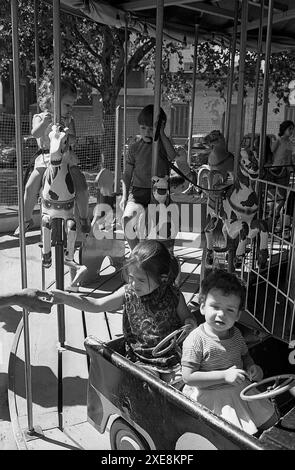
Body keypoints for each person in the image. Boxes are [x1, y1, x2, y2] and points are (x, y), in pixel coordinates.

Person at [51, 239, 197, 385]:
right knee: (149, 384)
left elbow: (187, 317)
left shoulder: (173, 295)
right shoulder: (128, 293)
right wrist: (65, 298)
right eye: (131, 278)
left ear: (162, 279)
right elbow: (97, 304)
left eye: (141, 280)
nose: (134, 284)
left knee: (182, 384)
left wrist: (190, 323)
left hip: (171, 357)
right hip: (141, 359)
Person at [181, 269, 278, 435]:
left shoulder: (236, 334)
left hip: (238, 388)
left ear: (238, 315)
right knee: (237, 436)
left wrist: (250, 366)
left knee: (272, 421)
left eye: (230, 310)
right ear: (203, 307)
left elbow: (244, 355)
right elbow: (188, 377)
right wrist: (224, 376)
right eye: (215, 306)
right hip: (210, 394)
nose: (221, 314)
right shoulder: (196, 339)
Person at [13, 77, 90, 236]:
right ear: (53, 100)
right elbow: (35, 134)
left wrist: (68, 133)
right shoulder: (39, 117)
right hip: (45, 158)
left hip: (66, 157)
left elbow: (74, 140)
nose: (70, 109)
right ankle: (26, 219)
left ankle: (83, 218)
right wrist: (44, 125)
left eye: (72, 105)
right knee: (30, 186)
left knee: (81, 184)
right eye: (67, 105)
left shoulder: (69, 120)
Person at [120, 105, 176, 250]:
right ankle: (136, 252)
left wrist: (161, 134)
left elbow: (172, 156)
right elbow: (127, 174)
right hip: (138, 194)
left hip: (159, 194)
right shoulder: (134, 148)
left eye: (151, 129)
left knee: (160, 225)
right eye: (143, 128)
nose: (147, 132)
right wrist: (124, 196)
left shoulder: (163, 146)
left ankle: (163, 252)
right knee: (127, 219)